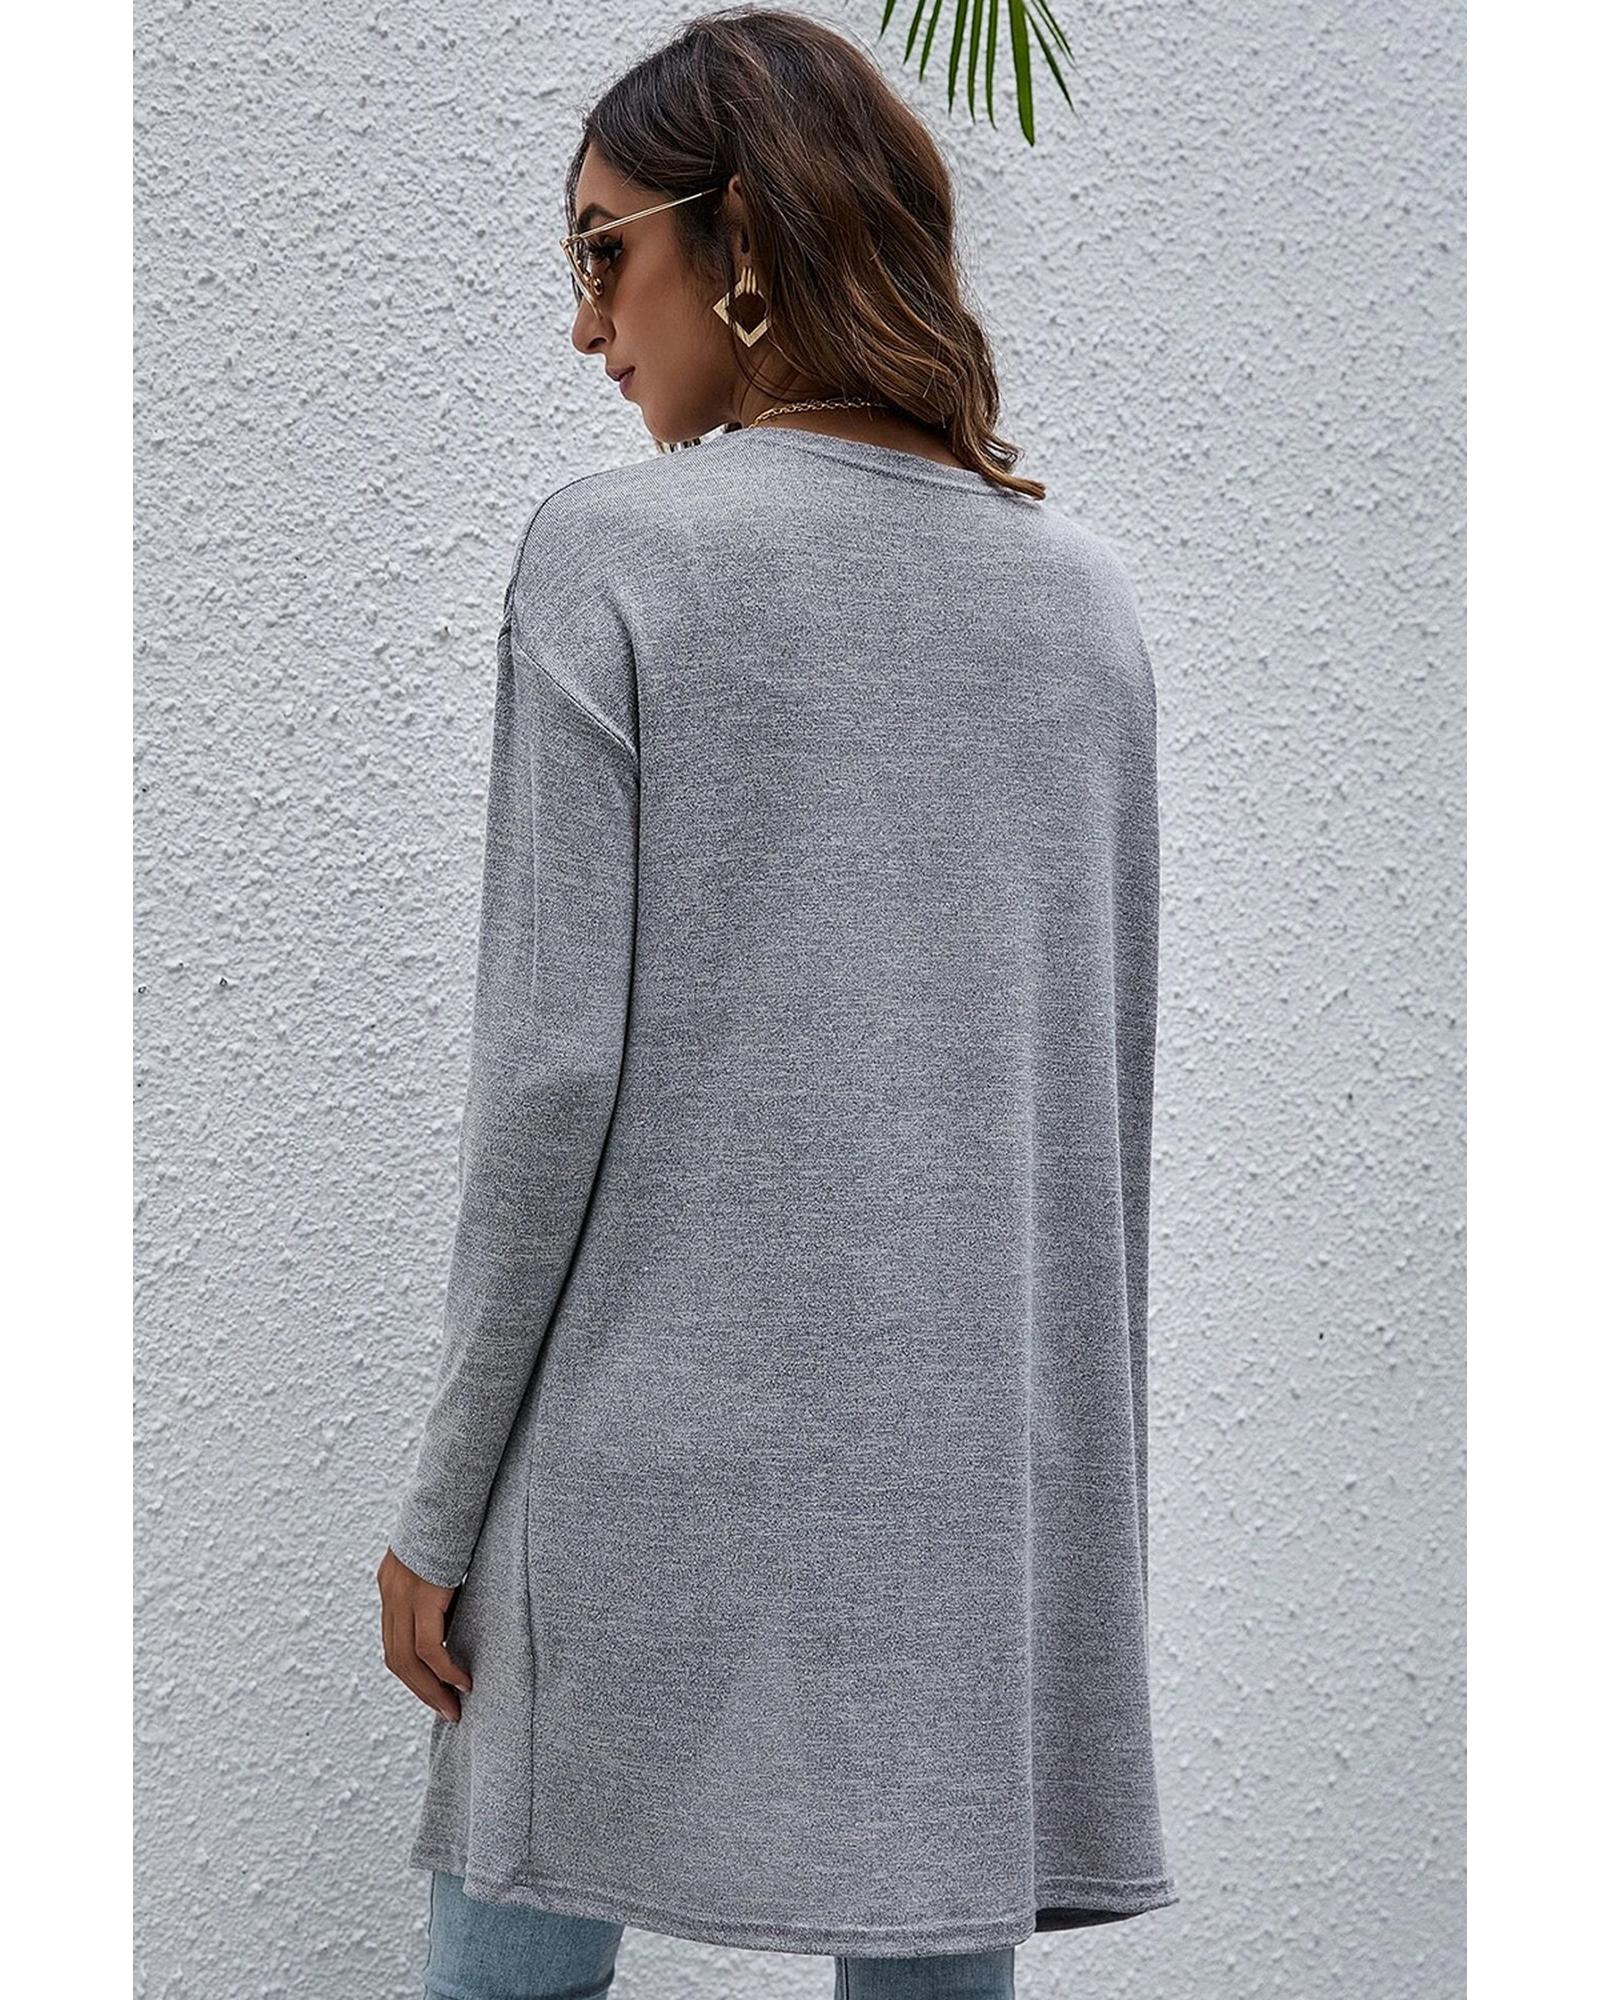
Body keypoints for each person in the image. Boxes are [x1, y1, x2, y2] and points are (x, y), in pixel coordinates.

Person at [376, 9, 1179, 1996]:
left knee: (510, 1950)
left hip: (630, 1462)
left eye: (602, 250)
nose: (586, 324)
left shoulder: (614, 555)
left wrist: (441, 1503)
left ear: (737, 239)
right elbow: (1094, 1122)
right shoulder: (1082, 602)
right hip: (963, 1489)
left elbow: (548, 1080)